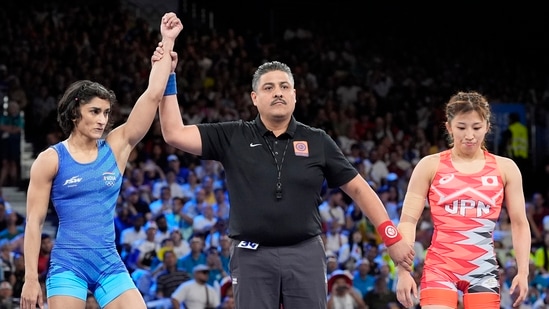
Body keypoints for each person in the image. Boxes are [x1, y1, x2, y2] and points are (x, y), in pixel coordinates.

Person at [157, 59, 414, 308]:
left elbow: (359, 188)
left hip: (306, 254)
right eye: (268, 88)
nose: (277, 93)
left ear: (294, 95)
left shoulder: (317, 140)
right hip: (251, 255)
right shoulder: (233, 134)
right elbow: (173, 133)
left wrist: (390, 237)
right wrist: (168, 77)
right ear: (254, 98)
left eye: (284, 86)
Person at [19, 12, 183, 309]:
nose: (102, 120)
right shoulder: (51, 159)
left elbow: (152, 95)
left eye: (106, 113)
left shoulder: (117, 147)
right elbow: (34, 222)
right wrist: (31, 278)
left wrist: (167, 41)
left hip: (109, 263)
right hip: (69, 264)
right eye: (95, 111)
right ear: (74, 113)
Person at [395, 91, 531, 309]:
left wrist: (523, 272)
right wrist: (403, 272)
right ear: (448, 127)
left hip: (483, 269)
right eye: (461, 127)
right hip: (440, 267)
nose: (469, 135)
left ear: (487, 126)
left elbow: (520, 223)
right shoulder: (429, 165)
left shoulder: (506, 169)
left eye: (476, 128)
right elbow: (408, 221)